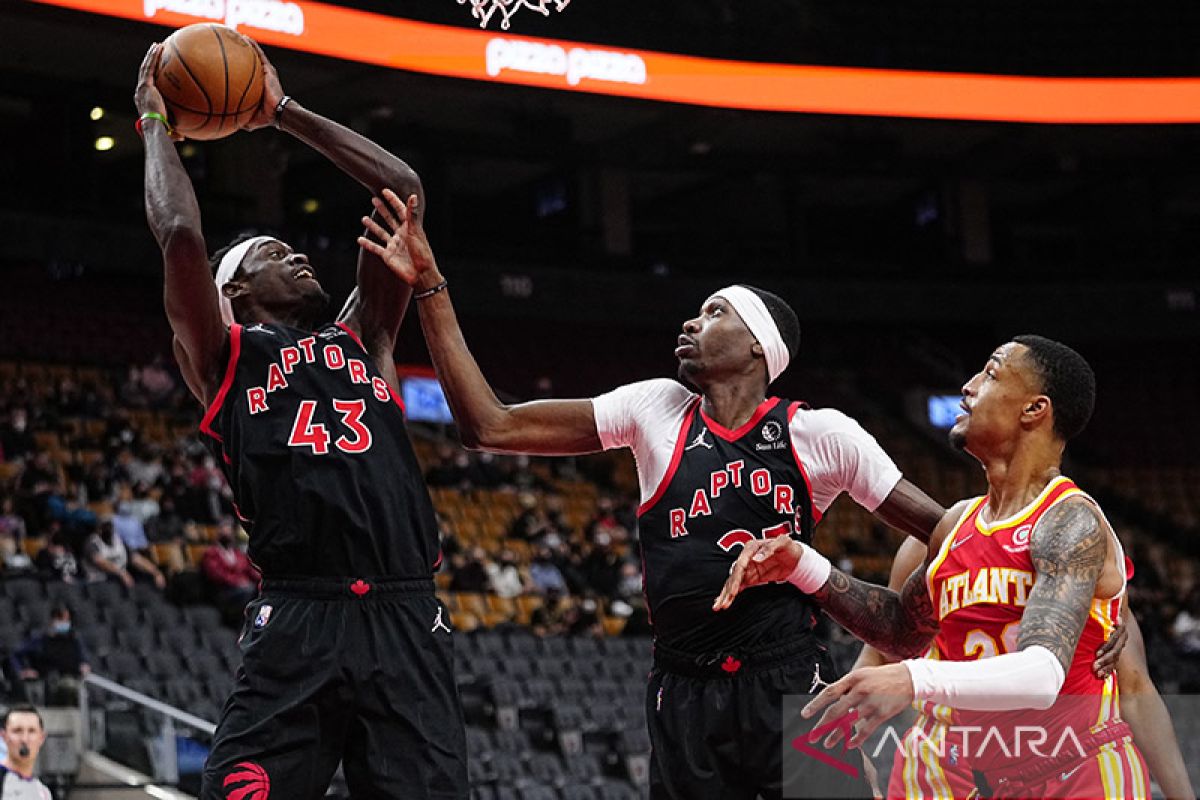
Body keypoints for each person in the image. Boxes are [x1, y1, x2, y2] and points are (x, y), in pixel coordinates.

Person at [356, 190, 946, 799]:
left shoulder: (819, 432)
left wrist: (932, 616)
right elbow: (490, 426)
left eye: (715, 312)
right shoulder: (656, 408)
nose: (691, 322)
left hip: (791, 682)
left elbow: (949, 529)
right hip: (683, 688)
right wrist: (431, 286)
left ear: (758, 347)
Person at [134, 39, 465, 799]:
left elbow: (403, 189)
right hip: (300, 614)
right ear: (235, 291)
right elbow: (182, 237)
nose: (300, 259)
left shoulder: (365, 336)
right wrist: (154, 119)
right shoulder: (223, 355)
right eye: (274, 254)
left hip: (406, 610)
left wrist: (280, 111)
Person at [718, 336, 1190, 799]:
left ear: (1034, 410)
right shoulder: (954, 526)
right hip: (978, 772)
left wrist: (912, 679)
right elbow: (901, 634)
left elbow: (1044, 675)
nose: (966, 385)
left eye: (990, 372)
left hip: (1077, 769)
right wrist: (806, 567)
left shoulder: (1069, 520)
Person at [855, 539, 1193, 800]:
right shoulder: (934, 541)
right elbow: (879, 651)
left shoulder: (1080, 536)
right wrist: (848, 756)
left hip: (1065, 751)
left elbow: (1136, 689)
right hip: (945, 757)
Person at [12, 606, 91, 706]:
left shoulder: (74, 640)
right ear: (53, 620)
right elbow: (16, 654)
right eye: (61, 620)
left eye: (67, 620)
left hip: (72, 677)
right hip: (50, 681)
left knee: (79, 689)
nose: (65, 624)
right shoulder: (40, 639)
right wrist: (22, 670)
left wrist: (85, 665)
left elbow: (83, 659)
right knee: (71, 687)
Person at [0, 706, 51, 800]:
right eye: (17, 731)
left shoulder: (43, 792)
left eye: (32, 731)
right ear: (4, 736)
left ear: (41, 738)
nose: (24, 739)